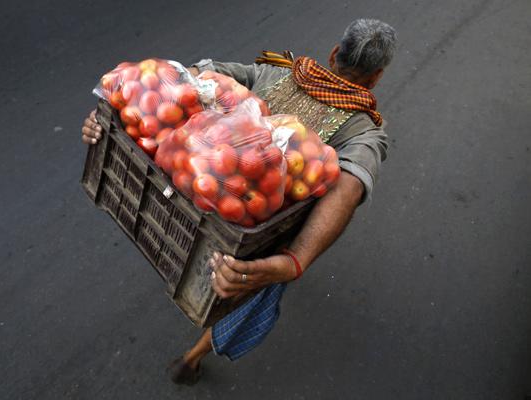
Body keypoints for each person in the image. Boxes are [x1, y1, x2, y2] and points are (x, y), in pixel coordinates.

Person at [81, 18, 397, 385]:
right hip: (245, 231)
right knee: (247, 292)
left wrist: (122, 109)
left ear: (333, 54)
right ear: (375, 78)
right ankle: (195, 356)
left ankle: (196, 354)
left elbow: (194, 79)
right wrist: (294, 261)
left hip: (188, 179)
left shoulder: (277, 73)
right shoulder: (364, 132)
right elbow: (350, 185)